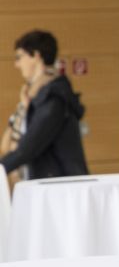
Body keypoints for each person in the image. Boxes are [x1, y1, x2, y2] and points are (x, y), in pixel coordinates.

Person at [0, 30, 88, 186]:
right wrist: (23, 108)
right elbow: (7, 144)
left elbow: (27, 149)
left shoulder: (54, 98)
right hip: (47, 186)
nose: (16, 64)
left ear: (36, 55)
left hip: (62, 189)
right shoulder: (33, 98)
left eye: (19, 57)